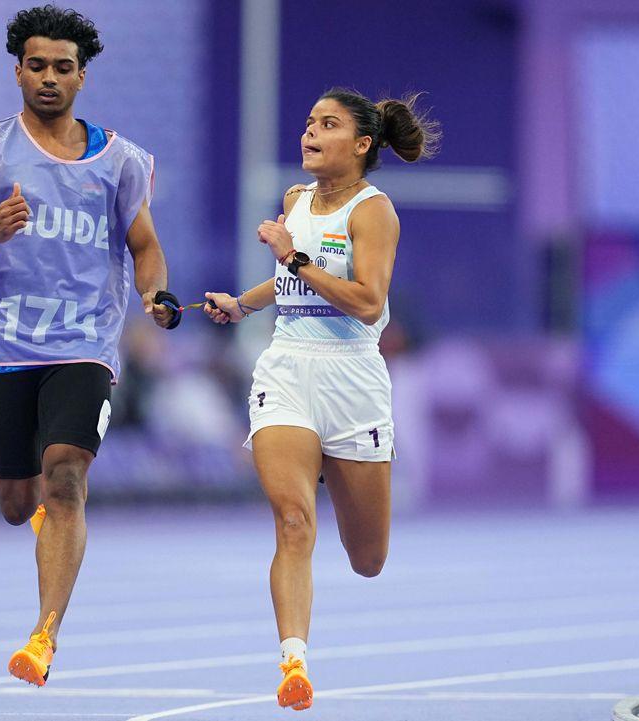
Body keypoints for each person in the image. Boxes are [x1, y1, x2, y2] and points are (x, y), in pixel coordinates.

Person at [0, 5, 182, 687]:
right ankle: (41, 524)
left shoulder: (119, 161)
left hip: (84, 344)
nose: (48, 78)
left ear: (81, 77)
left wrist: (154, 295)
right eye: (36, 65)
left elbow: (145, 246)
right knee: (17, 502)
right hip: (5, 345)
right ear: (17, 71)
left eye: (61, 68)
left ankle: (43, 636)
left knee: (66, 476)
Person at [204, 88, 439, 710]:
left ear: (361, 144)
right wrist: (243, 301)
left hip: (353, 379)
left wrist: (296, 257)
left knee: (368, 559)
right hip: (288, 369)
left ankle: (337, 467)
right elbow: (286, 279)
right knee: (292, 521)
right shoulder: (295, 201)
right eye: (307, 121)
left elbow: (367, 303)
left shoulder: (373, 211)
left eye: (327, 124)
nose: (309, 132)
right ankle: (293, 663)